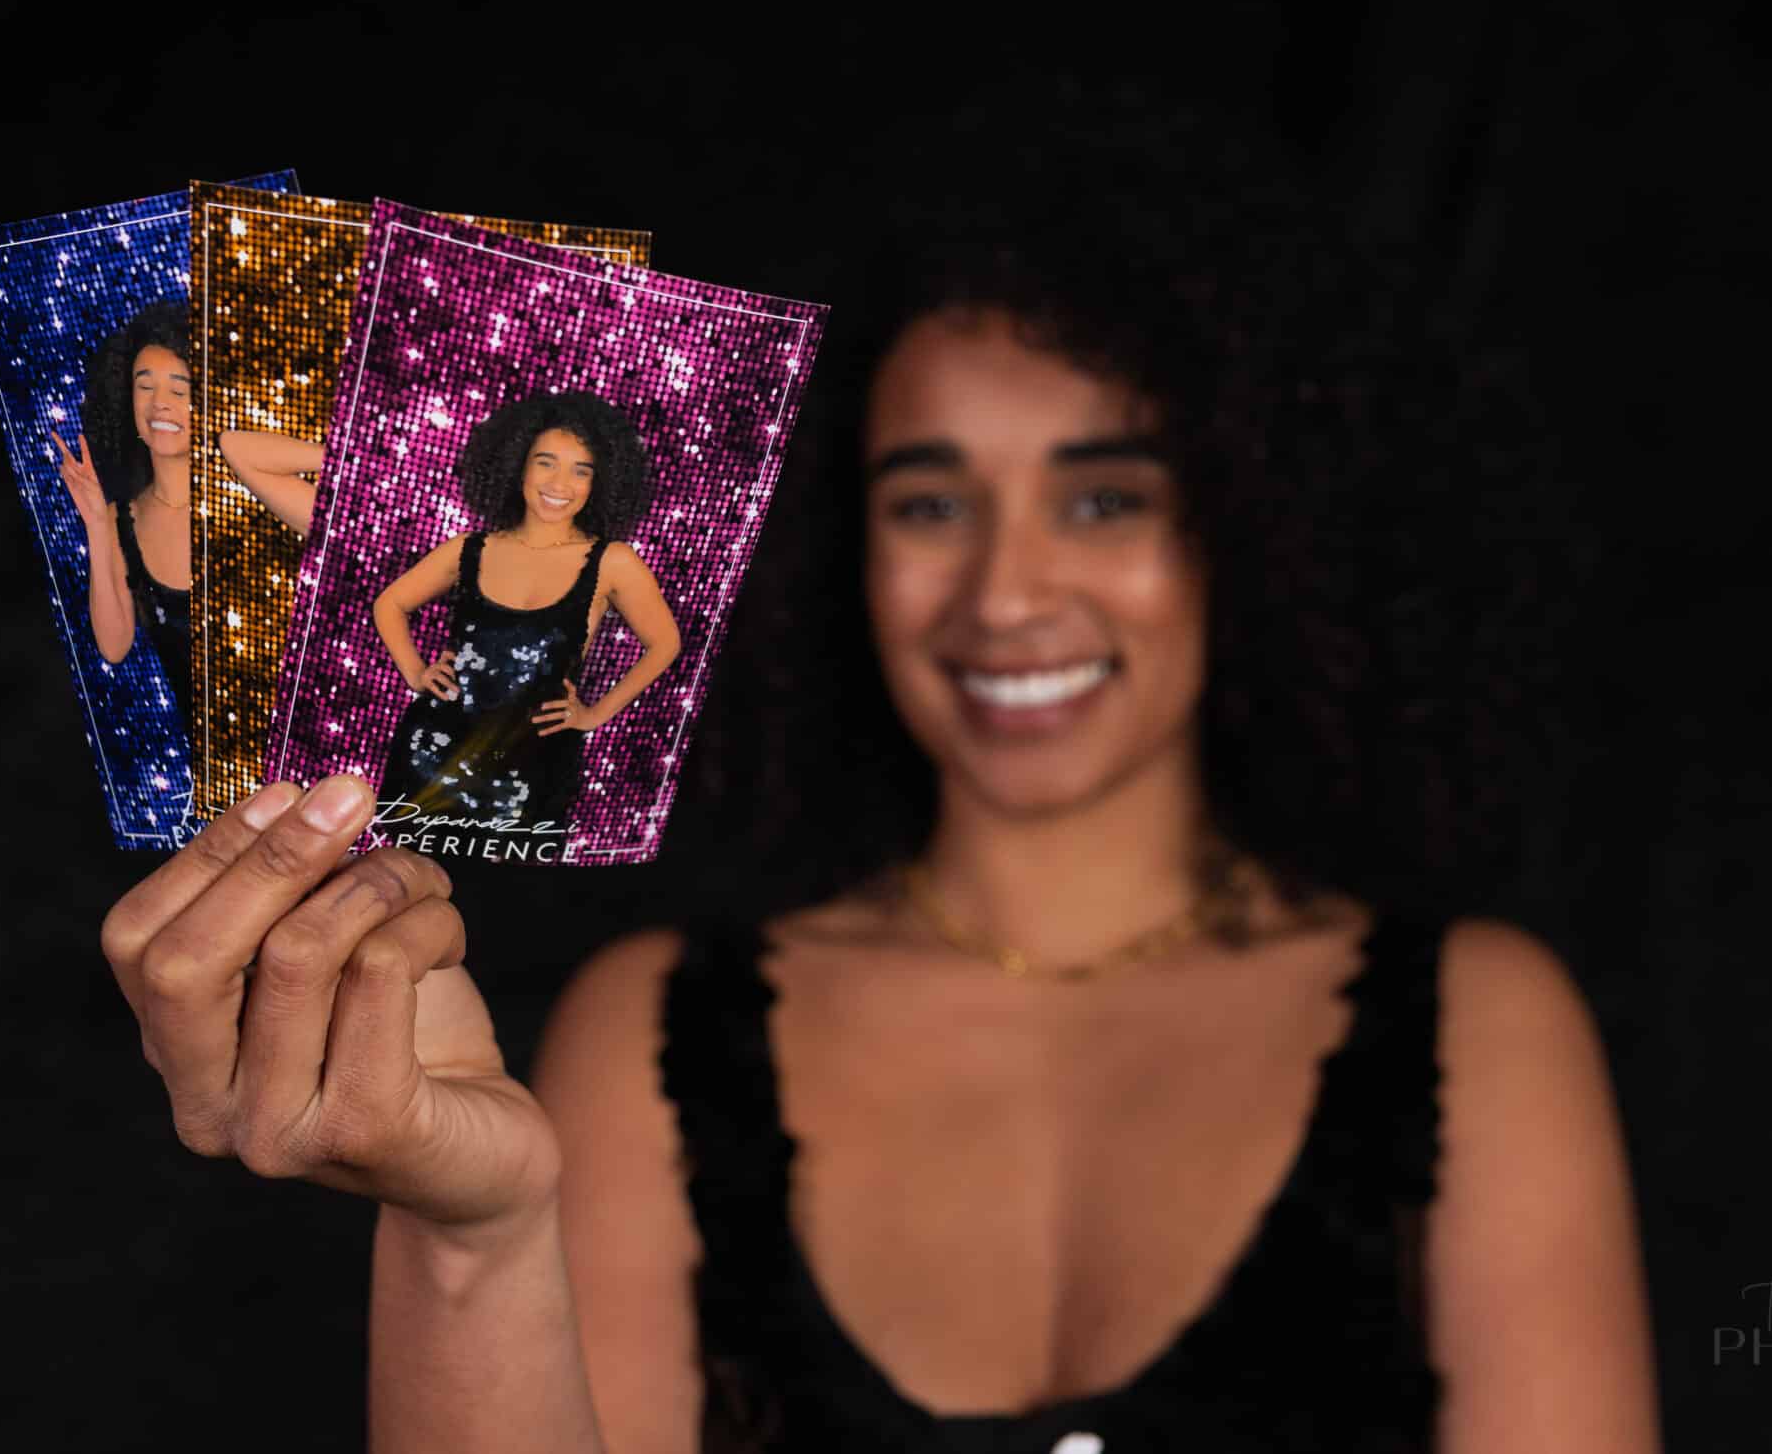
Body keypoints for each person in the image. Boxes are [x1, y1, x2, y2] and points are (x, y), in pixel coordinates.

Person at [101, 111, 1662, 1452]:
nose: (1006, 593)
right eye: (931, 504)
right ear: (843, 551)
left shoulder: (1476, 1025)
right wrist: (468, 1231)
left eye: (1103, 497)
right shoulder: (653, 1036)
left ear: (1247, 526)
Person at [369, 391, 681, 853]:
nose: (561, 482)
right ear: (518, 465)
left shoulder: (612, 561)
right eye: (546, 462)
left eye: (582, 469)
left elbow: (665, 644)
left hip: (532, 767)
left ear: (602, 481)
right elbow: (389, 603)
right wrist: (416, 671)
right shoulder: (470, 548)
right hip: (432, 753)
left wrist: (594, 714)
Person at [51, 302, 194, 697]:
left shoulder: (243, 495)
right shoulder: (121, 520)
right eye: (145, 387)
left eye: (180, 389)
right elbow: (114, 647)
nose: (159, 403)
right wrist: (97, 524)